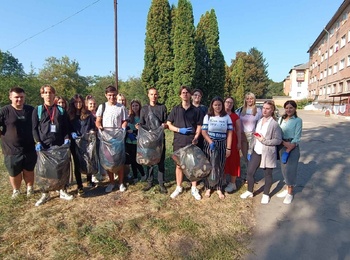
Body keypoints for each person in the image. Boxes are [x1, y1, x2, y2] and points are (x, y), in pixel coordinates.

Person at [32, 85, 73, 206]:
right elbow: (34, 129)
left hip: (59, 145)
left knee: (61, 169)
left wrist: (67, 139)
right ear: (42, 95)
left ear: (54, 94)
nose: (48, 95)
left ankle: (62, 190)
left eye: (50, 92)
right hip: (44, 146)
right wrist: (37, 142)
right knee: (44, 171)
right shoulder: (38, 110)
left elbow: (66, 128)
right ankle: (45, 193)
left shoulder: (60, 110)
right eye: (45, 92)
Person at [240, 100, 282, 204]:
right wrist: (250, 150)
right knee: (250, 172)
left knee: (268, 174)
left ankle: (266, 194)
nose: (265, 110)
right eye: (263, 108)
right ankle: (250, 191)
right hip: (256, 151)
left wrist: (264, 140)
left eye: (267, 108)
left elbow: (278, 140)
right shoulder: (259, 121)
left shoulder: (274, 124)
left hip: (267, 153)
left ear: (272, 110)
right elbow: (256, 137)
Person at [0, 87, 36, 199]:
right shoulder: (5, 110)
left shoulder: (31, 110)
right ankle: (16, 190)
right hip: (11, 149)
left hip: (29, 147)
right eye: (16, 97)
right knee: (14, 172)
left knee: (29, 169)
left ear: (24, 97)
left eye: (21, 97)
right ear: (10, 97)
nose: (19, 99)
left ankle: (30, 188)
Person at [167, 86, 202, 200]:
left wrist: (196, 136)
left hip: (191, 141)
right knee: (179, 165)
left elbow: (199, 125)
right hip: (179, 141)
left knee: (193, 165)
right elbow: (168, 124)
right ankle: (178, 187)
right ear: (180, 95)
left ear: (190, 95)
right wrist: (178, 130)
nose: (185, 94)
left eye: (187, 92)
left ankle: (194, 188)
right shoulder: (175, 109)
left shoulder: (196, 110)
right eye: (183, 92)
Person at [95, 85, 128, 193]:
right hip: (106, 139)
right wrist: (99, 127)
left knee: (119, 161)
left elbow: (124, 120)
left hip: (118, 139)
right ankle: (112, 182)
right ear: (106, 95)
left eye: (114, 95)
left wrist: (123, 128)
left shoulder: (121, 108)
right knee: (109, 161)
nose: (112, 97)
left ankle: (121, 183)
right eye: (109, 95)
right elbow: (98, 120)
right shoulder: (102, 107)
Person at [201, 96, 233, 199]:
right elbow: (203, 132)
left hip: (222, 143)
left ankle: (219, 188)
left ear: (222, 105)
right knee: (210, 166)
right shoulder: (208, 116)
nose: (217, 107)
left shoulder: (227, 117)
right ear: (212, 106)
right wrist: (210, 142)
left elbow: (230, 133)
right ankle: (208, 187)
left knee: (220, 165)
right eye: (215, 105)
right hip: (210, 143)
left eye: (219, 105)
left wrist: (228, 148)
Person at [139, 88, 168, 194]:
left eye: (156, 94)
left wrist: (165, 125)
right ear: (148, 95)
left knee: (160, 161)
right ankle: (150, 182)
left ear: (158, 95)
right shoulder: (144, 109)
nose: (154, 96)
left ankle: (161, 183)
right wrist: (139, 127)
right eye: (152, 94)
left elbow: (166, 122)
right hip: (149, 139)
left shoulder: (162, 107)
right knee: (149, 161)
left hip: (160, 139)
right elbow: (142, 123)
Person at [68, 94, 96, 195]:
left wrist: (92, 131)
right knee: (77, 163)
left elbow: (92, 126)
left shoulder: (88, 114)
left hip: (87, 141)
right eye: (76, 102)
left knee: (88, 160)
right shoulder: (69, 115)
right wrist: (71, 133)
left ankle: (89, 180)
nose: (78, 104)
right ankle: (80, 185)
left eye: (80, 102)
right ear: (73, 103)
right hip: (74, 143)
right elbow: (67, 127)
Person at [276, 100, 302, 204]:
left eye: (291, 108)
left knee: (291, 170)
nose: (288, 110)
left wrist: (290, 147)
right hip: (282, 145)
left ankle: (290, 193)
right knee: (284, 169)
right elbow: (277, 132)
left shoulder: (298, 120)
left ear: (295, 109)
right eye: (287, 108)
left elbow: (297, 136)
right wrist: (283, 143)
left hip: (293, 146)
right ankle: (287, 188)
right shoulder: (281, 119)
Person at [223, 97, 242, 193]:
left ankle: (232, 183)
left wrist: (239, 142)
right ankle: (223, 180)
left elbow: (238, 130)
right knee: (223, 161)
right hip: (222, 140)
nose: (229, 104)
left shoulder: (235, 116)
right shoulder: (220, 115)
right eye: (227, 102)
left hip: (233, 141)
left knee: (233, 161)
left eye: (231, 103)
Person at [237, 93, 262, 163]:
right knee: (244, 156)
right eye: (247, 98)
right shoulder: (240, 110)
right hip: (242, 135)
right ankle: (246, 172)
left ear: (254, 100)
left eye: (251, 98)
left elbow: (260, 124)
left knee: (251, 156)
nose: (249, 100)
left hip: (252, 136)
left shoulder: (258, 111)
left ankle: (251, 172)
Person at [126, 99, 146, 183]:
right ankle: (135, 176)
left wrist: (134, 131)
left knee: (137, 160)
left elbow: (144, 129)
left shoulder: (142, 117)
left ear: (139, 106)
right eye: (133, 106)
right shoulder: (129, 117)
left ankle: (143, 174)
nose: (135, 107)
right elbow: (125, 127)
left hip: (137, 142)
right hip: (129, 141)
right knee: (131, 160)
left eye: (136, 105)